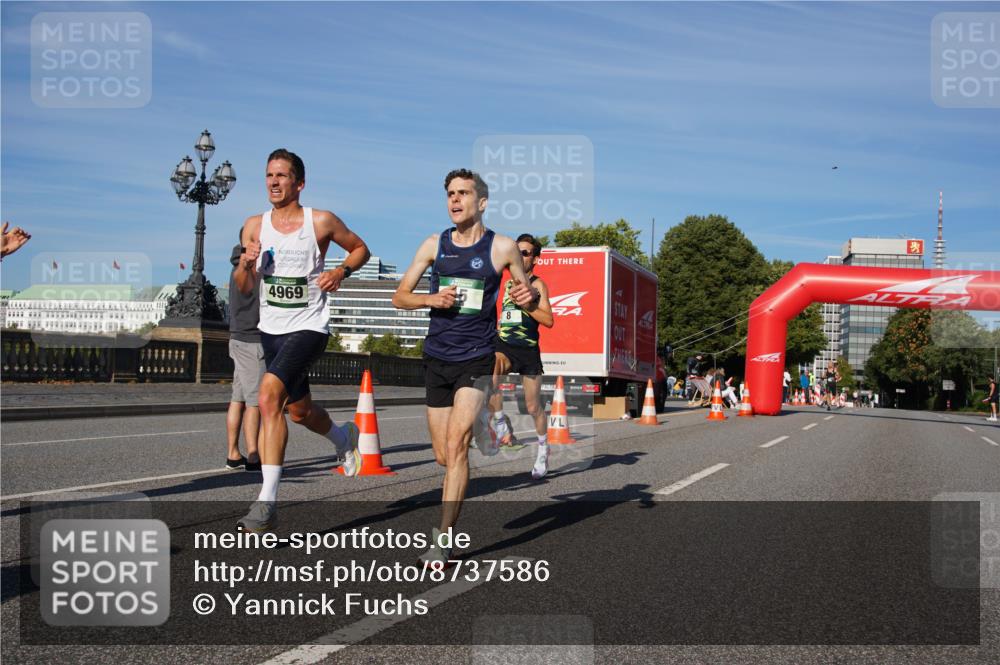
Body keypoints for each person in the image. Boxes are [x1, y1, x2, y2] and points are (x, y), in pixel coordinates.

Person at [393, 169, 538, 568]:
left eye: (463, 194)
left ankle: (442, 541)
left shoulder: (503, 247)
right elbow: (399, 297)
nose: (455, 201)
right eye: (450, 194)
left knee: (457, 446)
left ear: (482, 202)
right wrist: (430, 300)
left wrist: (526, 297)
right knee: (443, 455)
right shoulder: (432, 244)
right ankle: (476, 434)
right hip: (438, 357)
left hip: (476, 358)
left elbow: (526, 297)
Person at [233, 149, 371, 532]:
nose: (273, 183)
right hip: (271, 330)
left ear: (299, 183)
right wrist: (246, 263)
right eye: (268, 176)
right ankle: (344, 438)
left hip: (310, 326)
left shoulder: (321, 221)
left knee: (268, 396)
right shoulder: (254, 226)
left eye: (281, 176)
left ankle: (267, 502)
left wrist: (340, 271)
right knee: (299, 412)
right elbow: (244, 288)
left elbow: (361, 248)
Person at [486, 233, 554, 478]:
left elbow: (548, 321)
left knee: (534, 406)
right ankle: (502, 424)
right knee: (490, 373)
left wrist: (528, 305)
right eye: (517, 250)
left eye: (525, 252)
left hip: (527, 350)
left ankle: (543, 450)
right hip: (504, 344)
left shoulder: (538, 285)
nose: (520, 255)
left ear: (535, 259)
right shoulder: (504, 282)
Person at [226, 235, 264, 472]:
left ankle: (232, 454)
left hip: (236, 338)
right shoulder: (254, 273)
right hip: (253, 340)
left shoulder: (234, 272)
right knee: (254, 402)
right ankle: (253, 456)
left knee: (237, 399)